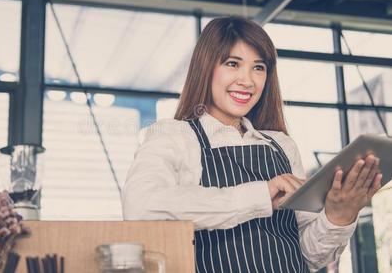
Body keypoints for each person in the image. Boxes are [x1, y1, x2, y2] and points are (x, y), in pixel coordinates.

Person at [122, 16, 382, 272]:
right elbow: (141, 206)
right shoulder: (174, 136)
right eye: (233, 64)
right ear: (205, 67)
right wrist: (261, 195)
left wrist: (339, 215)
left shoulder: (281, 145)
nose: (247, 80)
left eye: (259, 67)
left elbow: (309, 256)